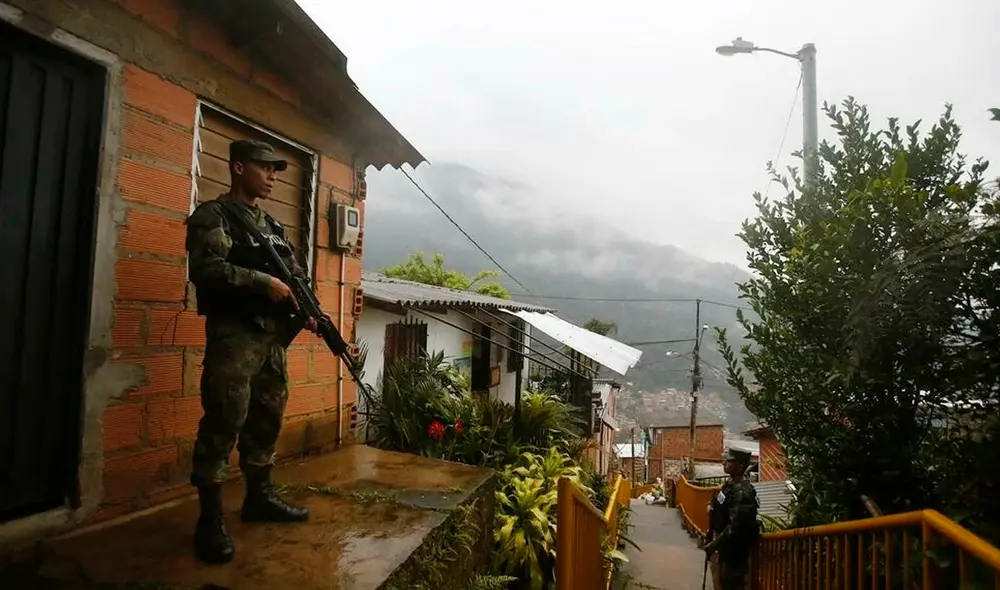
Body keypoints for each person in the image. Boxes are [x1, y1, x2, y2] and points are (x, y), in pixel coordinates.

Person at [184, 139, 318, 565]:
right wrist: (263, 284)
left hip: (270, 340)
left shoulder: (274, 228)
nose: (273, 177)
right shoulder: (213, 216)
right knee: (224, 419)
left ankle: (259, 498)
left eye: (276, 170)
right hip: (234, 340)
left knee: (267, 418)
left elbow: (294, 277)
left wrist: (310, 310)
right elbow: (205, 270)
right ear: (238, 168)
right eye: (265, 169)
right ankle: (209, 520)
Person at [705, 447, 760, 590]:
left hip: (734, 550)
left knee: (732, 583)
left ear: (740, 466)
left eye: (729, 461)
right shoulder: (730, 484)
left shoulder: (742, 492)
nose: (724, 462)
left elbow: (736, 526)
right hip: (726, 547)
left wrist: (714, 544)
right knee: (723, 581)